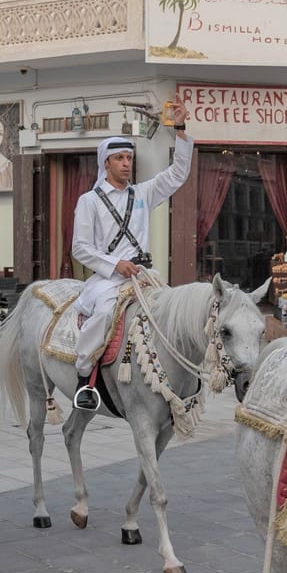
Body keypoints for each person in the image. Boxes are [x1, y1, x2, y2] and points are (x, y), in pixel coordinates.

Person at [69, 126, 194, 410]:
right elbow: (80, 247)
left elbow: (177, 175)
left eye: (129, 157)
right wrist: (115, 264)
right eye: (120, 158)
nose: (126, 163)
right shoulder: (89, 201)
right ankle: (83, 377)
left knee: (173, 311)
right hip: (107, 281)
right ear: (106, 163)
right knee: (103, 315)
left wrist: (182, 133)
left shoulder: (142, 193)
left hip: (145, 276)